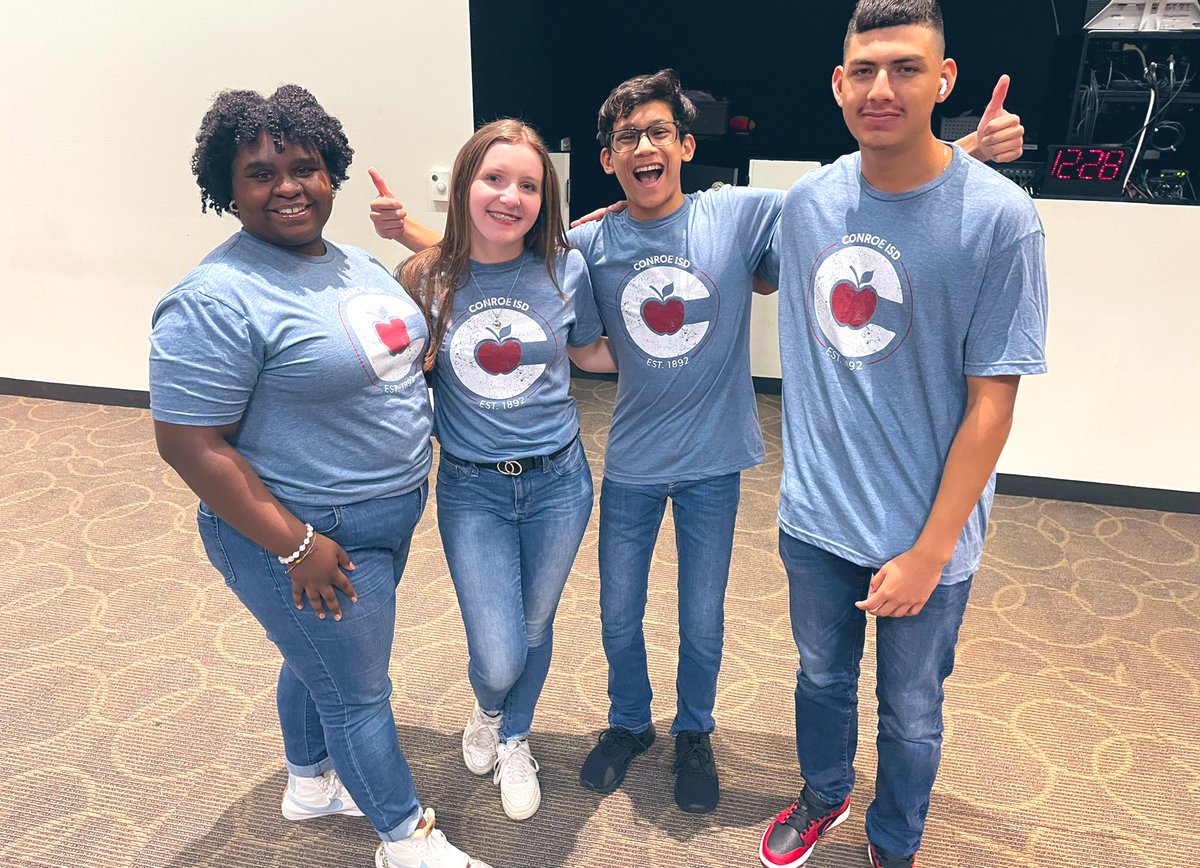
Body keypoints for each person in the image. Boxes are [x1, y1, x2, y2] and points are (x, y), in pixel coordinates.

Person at [369, 69, 1024, 817]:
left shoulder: (742, 216)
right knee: (618, 613)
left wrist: (965, 147)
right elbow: (497, 252)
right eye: (624, 139)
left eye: (657, 133)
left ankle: (694, 731)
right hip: (632, 463)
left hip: (716, 463)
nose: (643, 147)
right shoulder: (589, 240)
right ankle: (626, 722)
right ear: (608, 160)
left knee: (702, 618)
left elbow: (855, 200)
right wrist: (410, 234)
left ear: (684, 145)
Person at [150, 85, 490, 868]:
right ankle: (405, 840)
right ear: (225, 188)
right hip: (305, 532)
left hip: (382, 515)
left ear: (332, 173)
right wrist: (297, 545)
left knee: (314, 662)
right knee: (357, 694)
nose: (288, 187)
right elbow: (189, 445)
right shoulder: (215, 298)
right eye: (260, 173)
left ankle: (309, 784)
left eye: (305, 167)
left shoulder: (351, 263)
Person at [755, 0, 1048, 868]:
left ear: (943, 77)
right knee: (819, 677)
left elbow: (993, 404)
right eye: (866, 72)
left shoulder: (1003, 220)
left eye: (906, 70)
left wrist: (929, 552)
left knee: (913, 708)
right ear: (839, 85)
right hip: (816, 519)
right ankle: (824, 797)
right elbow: (726, 259)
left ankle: (896, 842)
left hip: (930, 531)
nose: (882, 89)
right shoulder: (805, 205)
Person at [382, 119, 613, 822]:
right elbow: (391, 380)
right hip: (472, 488)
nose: (510, 196)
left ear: (547, 198)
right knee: (499, 648)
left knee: (536, 627)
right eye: (494, 179)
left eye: (529, 185)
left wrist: (685, 360)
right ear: (464, 185)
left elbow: (592, 354)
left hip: (559, 483)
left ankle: (514, 735)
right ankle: (488, 705)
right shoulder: (425, 277)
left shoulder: (565, 268)